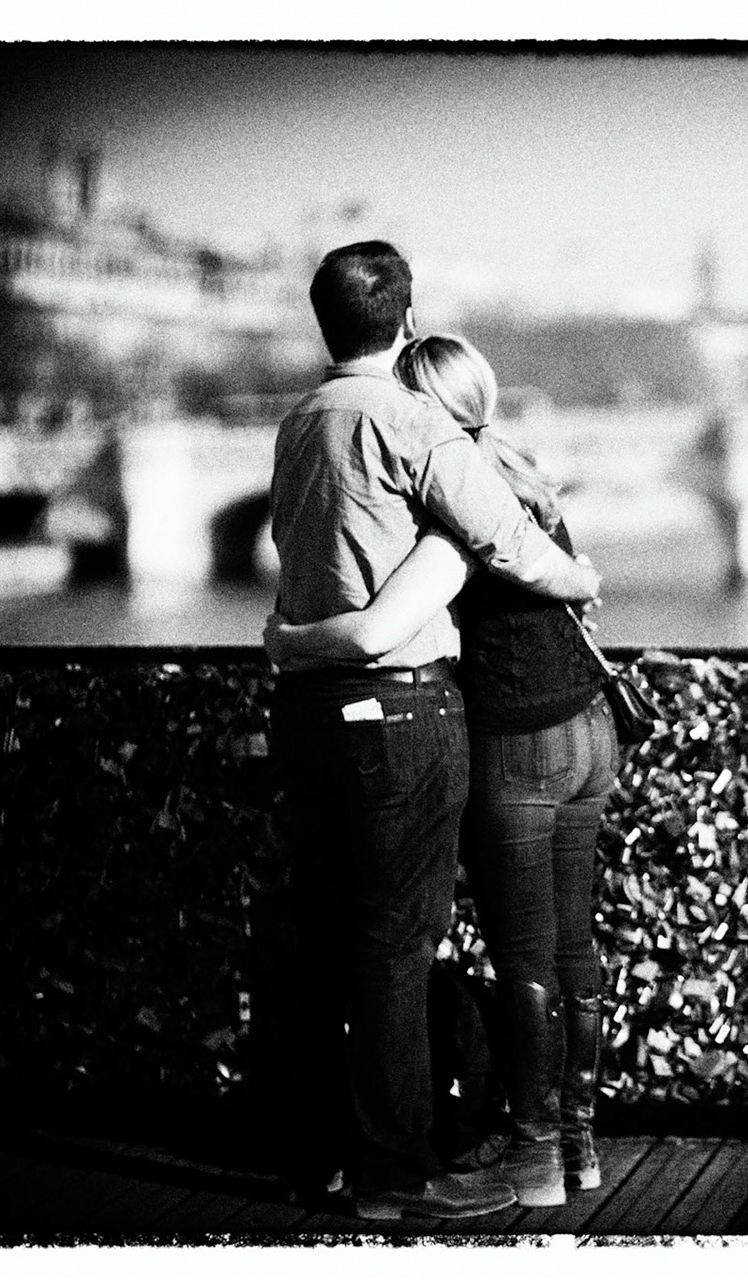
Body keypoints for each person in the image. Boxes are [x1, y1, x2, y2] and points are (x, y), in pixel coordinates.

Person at [262, 243, 600, 1222]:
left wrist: (293, 638)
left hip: (308, 710)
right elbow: (506, 535)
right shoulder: (411, 422)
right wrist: (581, 579)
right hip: (400, 709)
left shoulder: (298, 422)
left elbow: (295, 555)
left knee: (317, 940)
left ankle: (316, 1157)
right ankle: (394, 1172)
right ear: (405, 318)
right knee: (396, 947)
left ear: (324, 323)